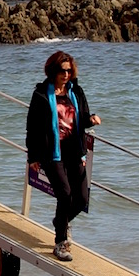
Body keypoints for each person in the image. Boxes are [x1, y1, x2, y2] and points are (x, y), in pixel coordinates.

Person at [26, 50, 100, 261]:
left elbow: (83, 119)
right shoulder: (41, 94)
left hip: (74, 150)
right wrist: (32, 157)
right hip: (51, 153)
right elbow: (32, 127)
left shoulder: (76, 92)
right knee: (64, 194)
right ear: (52, 71)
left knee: (82, 198)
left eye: (69, 70)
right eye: (62, 70)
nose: (66, 75)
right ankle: (60, 243)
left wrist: (92, 119)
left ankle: (60, 222)